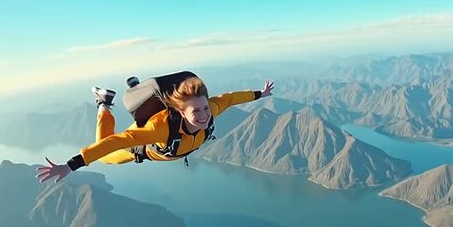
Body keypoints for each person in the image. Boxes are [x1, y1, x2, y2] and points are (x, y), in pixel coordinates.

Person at [36, 75, 274, 183]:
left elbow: (230, 98)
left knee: (109, 151)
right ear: (181, 112)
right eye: (196, 112)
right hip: (141, 148)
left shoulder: (211, 107)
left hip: (167, 146)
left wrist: (259, 94)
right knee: (107, 158)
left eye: (205, 109)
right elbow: (116, 142)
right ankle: (103, 105)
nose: (203, 116)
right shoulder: (159, 129)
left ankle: (136, 86)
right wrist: (71, 165)